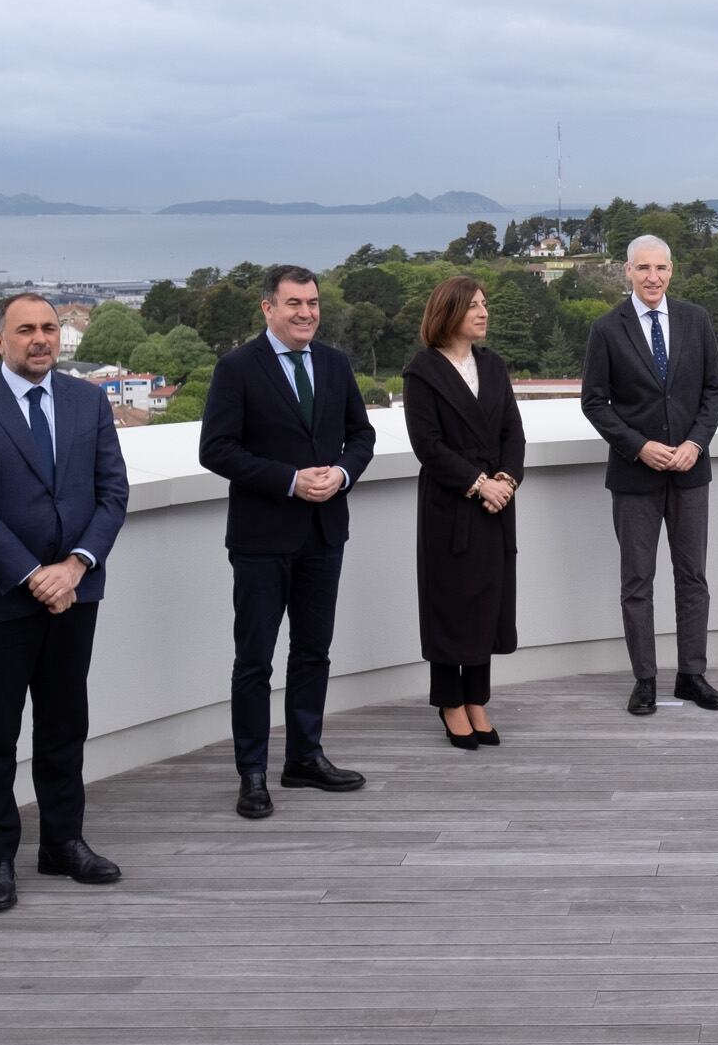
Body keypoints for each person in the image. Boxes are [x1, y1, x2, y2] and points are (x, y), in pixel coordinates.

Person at [0, 292, 129, 913]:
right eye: (26, 330)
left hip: (75, 592)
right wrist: (30, 574)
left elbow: (112, 492)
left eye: (49, 328)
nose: (41, 339)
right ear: (0, 340)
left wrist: (74, 566)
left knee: (65, 723)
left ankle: (63, 843)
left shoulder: (88, 399)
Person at [198, 265, 377, 820]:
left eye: (313, 303)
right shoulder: (236, 368)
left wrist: (342, 474)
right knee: (254, 661)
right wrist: (289, 479)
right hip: (261, 537)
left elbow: (362, 434)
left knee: (313, 652)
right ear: (267, 308)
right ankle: (252, 774)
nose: (306, 313)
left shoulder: (334, 362)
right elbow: (216, 449)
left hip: (325, 532)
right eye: (294, 303)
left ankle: (305, 757)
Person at [582, 233, 718, 716]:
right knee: (637, 582)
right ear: (627, 271)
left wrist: (694, 444)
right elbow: (594, 402)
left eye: (661, 268)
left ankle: (692, 675)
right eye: (643, 268)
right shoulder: (607, 329)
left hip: (690, 472)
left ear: (672, 270)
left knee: (693, 579)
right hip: (635, 477)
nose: (653, 277)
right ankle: (644, 680)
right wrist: (639, 447)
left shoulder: (696, 320)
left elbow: (715, 390)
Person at [402, 275, 524, 748]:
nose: (483, 312)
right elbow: (427, 446)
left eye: (485, 304)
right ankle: (450, 703)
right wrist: (480, 485)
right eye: (473, 305)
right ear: (448, 313)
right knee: (450, 604)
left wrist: (507, 482)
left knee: (486, 606)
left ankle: (477, 698)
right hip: (450, 507)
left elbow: (513, 432)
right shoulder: (422, 373)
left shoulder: (493, 367)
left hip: (497, 505)